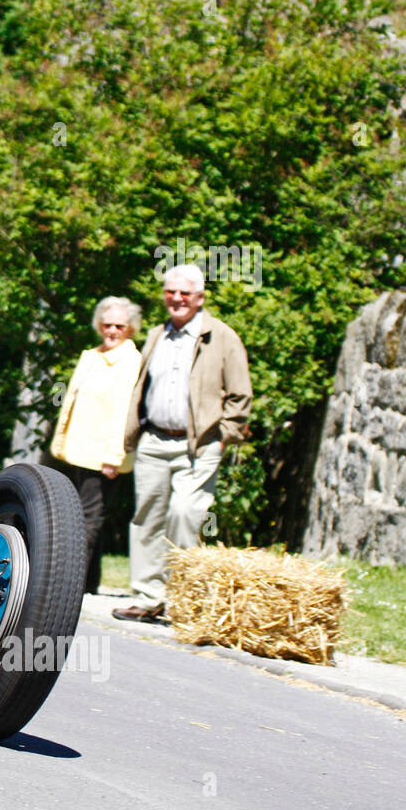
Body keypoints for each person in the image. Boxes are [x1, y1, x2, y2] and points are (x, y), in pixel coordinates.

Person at [113, 263, 253, 623]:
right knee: (147, 519)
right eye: (170, 292)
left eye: (184, 293)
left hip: (200, 444)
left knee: (185, 514)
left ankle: (183, 600)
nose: (176, 299)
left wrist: (224, 438)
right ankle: (148, 598)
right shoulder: (157, 335)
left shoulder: (221, 337)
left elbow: (240, 396)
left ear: (200, 298)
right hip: (154, 440)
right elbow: (143, 387)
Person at [47, 296, 144, 595]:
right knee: (85, 516)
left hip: (103, 455)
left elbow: (125, 412)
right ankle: (89, 582)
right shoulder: (90, 355)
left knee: (86, 519)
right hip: (76, 450)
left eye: (119, 325)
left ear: (131, 329)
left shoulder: (131, 361)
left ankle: (68, 585)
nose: (112, 330)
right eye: (107, 324)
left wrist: (114, 456)